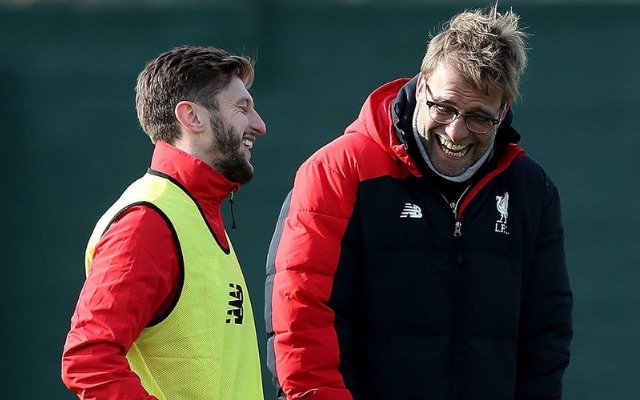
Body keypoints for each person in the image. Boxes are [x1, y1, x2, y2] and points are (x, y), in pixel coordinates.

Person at [265, 5, 572, 400]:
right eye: (444, 107)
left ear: (504, 110)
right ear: (422, 83)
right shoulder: (339, 170)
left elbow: (546, 336)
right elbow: (300, 318)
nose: (456, 131)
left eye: (479, 117)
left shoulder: (531, 189)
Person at [62, 45, 267, 399]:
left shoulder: (192, 211)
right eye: (241, 108)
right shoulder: (148, 221)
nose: (259, 125)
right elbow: (88, 360)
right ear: (191, 116)